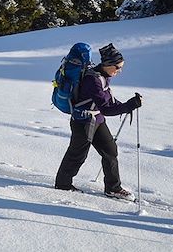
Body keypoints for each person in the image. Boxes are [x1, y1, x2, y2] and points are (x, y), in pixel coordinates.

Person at [54, 43, 142, 200]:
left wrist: (128, 105)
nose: (119, 71)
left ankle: (113, 188)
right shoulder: (92, 80)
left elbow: (108, 103)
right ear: (107, 64)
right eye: (117, 67)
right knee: (77, 154)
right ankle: (62, 184)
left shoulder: (103, 76)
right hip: (83, 121)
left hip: (97, 120)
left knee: (111, 151)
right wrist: (128, 105)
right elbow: (107, 108)